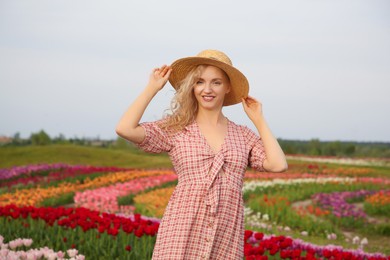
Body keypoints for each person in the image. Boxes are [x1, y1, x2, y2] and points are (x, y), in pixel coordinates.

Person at [116, 49, 288, 259]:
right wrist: (152, 88)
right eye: (199, 82)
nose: (207, 89)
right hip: (181, 231)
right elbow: (125, 128)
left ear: (227, 87)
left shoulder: (243, 135)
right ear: (192, 87)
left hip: (226, 234)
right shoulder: (177, 128)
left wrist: (259, 120)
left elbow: (278, 164)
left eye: (216, 82)